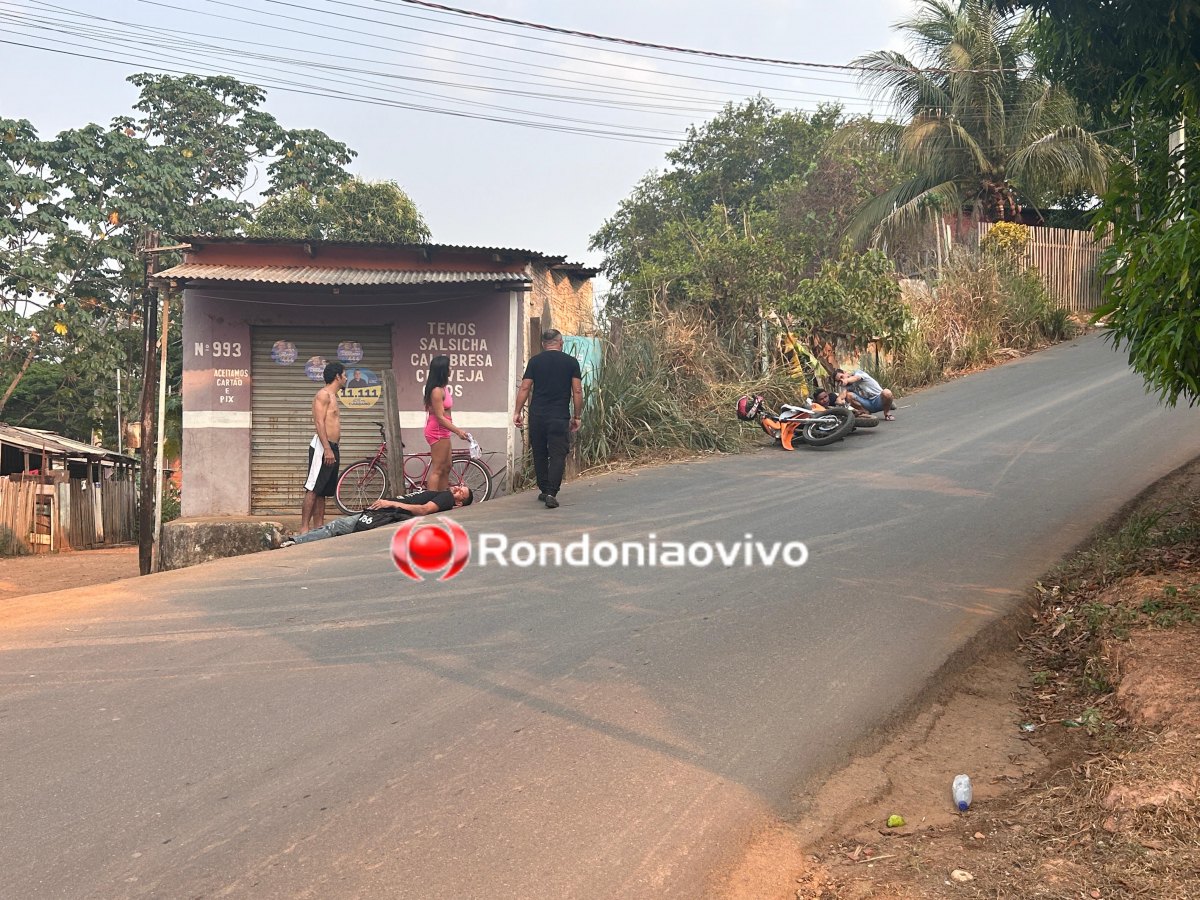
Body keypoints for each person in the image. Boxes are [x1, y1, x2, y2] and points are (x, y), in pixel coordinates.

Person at [513, 329, 583, 509]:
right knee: (558, 453)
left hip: (537, 415)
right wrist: (577, 416)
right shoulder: (571, 362)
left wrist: (517, 412)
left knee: (539, 452)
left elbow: (525, 388)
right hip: (559, 416)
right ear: (561, 343)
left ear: (544, 345)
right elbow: (577, 391)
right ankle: (552, 492)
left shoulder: (535, 361)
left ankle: (544, 489)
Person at [281, 484, 473, 546]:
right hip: (382, 511)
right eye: (459, 487)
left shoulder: (446, 498)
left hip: (385, 512)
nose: (456, 489)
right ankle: (297, 539)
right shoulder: (443, 493)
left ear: (458, 503)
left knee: (336, 527)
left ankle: (295, 541)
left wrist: (390, 503)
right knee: (337, 527)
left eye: (460, 493)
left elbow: (423, 509)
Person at [301, 362, 347, 533]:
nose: (346, 378)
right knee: (313, 488)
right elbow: (319, 422)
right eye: (345, 374)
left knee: (323, 490)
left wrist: (332, 448)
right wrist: (326, 448)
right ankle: (304, 529)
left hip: (332, 447)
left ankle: (318, 528)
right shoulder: (323, 395)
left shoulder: (334, 396)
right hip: (322, 447)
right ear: (337, 376)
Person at [423, 354, 469, 491]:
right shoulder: (436, 391)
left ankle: (443, 497)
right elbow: (440, 417)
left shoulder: (443, 388)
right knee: (438, 468)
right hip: (437, 431)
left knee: (447, 466)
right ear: (443, 370)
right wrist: (458, 431)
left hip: (444, 431)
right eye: (449, 367)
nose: (451, 369)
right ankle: (431, 500)